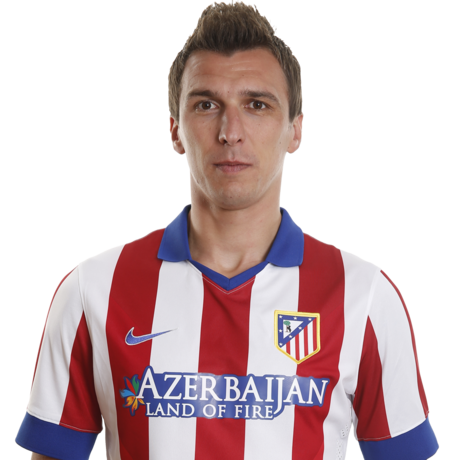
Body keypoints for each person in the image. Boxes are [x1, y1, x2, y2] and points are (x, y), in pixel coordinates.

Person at [14, 2, 440, 459]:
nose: (230, 132)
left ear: (295, 130)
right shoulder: (92, 290)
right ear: (175, 130)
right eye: (206, 105)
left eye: (257, 105)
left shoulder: (365, 295)